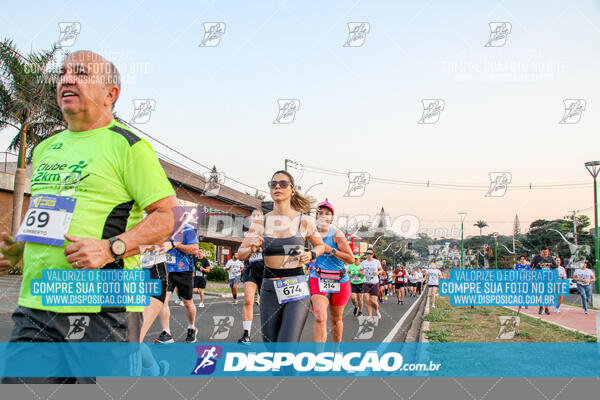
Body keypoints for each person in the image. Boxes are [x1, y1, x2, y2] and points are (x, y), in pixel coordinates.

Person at [0, 51, 177, 384]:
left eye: (80, 73)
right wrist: (20, 251)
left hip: (103, 304)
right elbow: (50, 215)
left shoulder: (129, 146)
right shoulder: (46, 148)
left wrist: (111, 248)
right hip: (38, 301)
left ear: (111, 94)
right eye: (63, 73)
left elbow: (168, 217)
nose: (67, 79)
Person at [237, 170, 324, 342]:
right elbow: (240, 254)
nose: (277, 186)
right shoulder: (260, 222)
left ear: (292, 190)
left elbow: (320, 245)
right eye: (273, 184)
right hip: (269, 289)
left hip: (296, 288)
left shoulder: (305, 221)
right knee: (270, 347)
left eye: (283, 184)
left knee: (287, 345)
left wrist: (311, 254)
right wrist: (252, 248)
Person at [308, 202, 355, 343]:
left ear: (331, 218)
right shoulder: (311, 233)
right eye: (320, 213)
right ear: (316, 216)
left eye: (327, 213)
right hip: (318, 277)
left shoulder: (337, 234)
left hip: (339, 280)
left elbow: (351, 259)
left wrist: (332, 250)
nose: (323, 216)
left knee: (336, 319)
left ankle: (336, 351)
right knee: (320, 317)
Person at [155, 224, 200, 343]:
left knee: (187, 302)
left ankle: (191, 328)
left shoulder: (187, 229)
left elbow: (194, 250)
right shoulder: (162, 228)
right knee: (162, 301)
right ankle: (166, 332)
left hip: (183, 269)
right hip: (165, 269)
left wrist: (177, 245)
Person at [238, 209, 265, 344]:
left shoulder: (268, 232)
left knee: (267, 305)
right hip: (251, 271)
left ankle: (273, 334)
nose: (256, 218)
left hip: (267, 272)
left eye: (258, 216)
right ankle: (246, 334)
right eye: (253, 216)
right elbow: (240, 254)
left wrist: (261, 248)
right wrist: (251, 249)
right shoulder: (247, 235)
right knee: (248, 301)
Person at [530, 246, 557, 315]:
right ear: (541, 252)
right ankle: (541, 306)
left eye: (546, 252)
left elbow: (555, 266)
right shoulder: (536, 258)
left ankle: (546, 308)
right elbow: (531, 267)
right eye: (544, 252)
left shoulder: (550, 258)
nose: (545, 253)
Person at [359, 249, 384, 322]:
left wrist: (378, 272)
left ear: (373, 254)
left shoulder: (376, 262)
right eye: (367, 253)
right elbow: (360, 271)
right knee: (367, 300)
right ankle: (370, 316)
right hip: (366, 283)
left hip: (375, 283)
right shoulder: (364, 262)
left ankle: (376, 310)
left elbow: (381, 270)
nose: (369, 255)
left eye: (370, 253)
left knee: (374, 301)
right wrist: (362, 273)